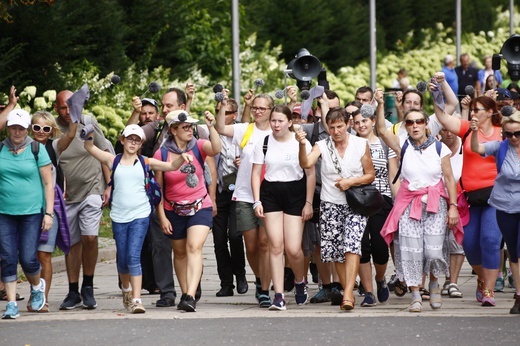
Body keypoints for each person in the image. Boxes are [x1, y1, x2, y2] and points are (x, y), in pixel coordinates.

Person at [84, 124, 191, 313]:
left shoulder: (145, 161)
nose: (133, 142)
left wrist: (182, 158)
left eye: (137, 140)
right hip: (118, 216)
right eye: (130, 138)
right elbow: (89, 148)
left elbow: (170, 166)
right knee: (123, 259)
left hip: (140, 215)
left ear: (141, 143)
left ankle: (136, 299)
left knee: (134, 256)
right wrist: (89, 133)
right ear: (122, 139)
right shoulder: (113, 160)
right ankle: (126, 289)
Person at [379, 106, 461, 313]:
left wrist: (453, 207)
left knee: (434, 250)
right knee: (411, 250)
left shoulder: (440, 148)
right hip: (409, 204)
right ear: (405, 126)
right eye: (410, 122)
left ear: (426, 124)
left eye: (419, 121)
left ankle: (434, 283)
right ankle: (415, 294)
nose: (415, 126)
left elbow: (449, 179)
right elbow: (381, 129)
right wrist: (380, 104)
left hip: (436, 204)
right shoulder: (403, 146)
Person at [298, 106, 375, 311]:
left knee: (352, 245)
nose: (336, 131)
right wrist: (300, 145)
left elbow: (370, 175)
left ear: (348, 124)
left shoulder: (360, 144)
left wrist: (351, 182)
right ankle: (347, 289)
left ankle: (348, 293)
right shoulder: (322, 145)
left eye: (340, 126)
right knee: (337, 252)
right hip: (330, 202)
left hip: (355, 203)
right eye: (332, 127)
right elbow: (306, 162)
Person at [435, 95, 503, 307]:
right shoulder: (466, 129)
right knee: (470, 244)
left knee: (490, 240)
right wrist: (438, 94)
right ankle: (482, 278)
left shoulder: (504, 132)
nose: (473, 113)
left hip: (495, 196)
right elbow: (442, 118)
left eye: (478, 109)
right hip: (471, 197)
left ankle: (489, 290)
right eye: (472, 109)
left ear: (491, 111)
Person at [155, 110, 221, 312]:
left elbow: (216, 148)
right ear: (173, 129)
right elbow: (158, 189)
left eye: (191, 126)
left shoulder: (199, 146)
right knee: (180, 253)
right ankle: (185, 294)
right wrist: (163, 217)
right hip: (173, 209)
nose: (190, 130)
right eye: (185, 127)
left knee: (194, 247)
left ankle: (190, 294)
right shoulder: (162, 153)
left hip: (200, 205)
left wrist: (211, 126)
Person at [251, 105, 315, 310]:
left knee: (294, 249)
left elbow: (310, 174)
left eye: (280, 121)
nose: (276, 124)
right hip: (270, 192)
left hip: (295, 192)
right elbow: (255, 173)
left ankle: (299, 281)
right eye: (273, 120)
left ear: (290, 122)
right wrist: (257, 200)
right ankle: (278, 295)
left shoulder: (300, 141)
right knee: (275, 245)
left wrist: (308, 203)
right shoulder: (265, 141)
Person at [215, 94, 273, 307]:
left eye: (262, 108)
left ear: (270, 110)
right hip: (244, 194)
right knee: (251, 247)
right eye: (255, 108)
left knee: (265, 244)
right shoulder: (245, 129)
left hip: (269, 197)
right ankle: (259, 279)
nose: (258, 111)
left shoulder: (276, 130)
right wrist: (222, 106)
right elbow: (221, 128)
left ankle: (265, 287)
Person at [55, 90, 112, 310]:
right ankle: (72, 291)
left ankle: (87, 286)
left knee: (89, 238)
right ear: (56, 108)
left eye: (71, 106)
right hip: (66, 196)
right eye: (63, 107)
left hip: (92, 189)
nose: (68, 111)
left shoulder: (88, 121)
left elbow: (105, 152)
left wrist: (109, 185)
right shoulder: (50, 129)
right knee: (72, 244)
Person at [0, 109, 54, 319]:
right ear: (8, 128)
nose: (17, 132)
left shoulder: (36, 149)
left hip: (31, 212)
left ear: (27, 129)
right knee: (7, 256)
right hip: (4, 211)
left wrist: (48, 213)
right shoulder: (1, 149)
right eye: (13, 127)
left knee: (29, 257)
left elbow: (48, 183)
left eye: (21, 128)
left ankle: (36, 285)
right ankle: (12, 304)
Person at [469, 110, 520, 314]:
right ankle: (519, 295)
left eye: (518, 133)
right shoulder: (501, 148)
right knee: (514, 254)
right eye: (509, 134)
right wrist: (474, 132)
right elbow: (476, 148)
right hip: (504, 205)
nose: (513, 138)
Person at [353, 91, 399, 307]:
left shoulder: (383, 144)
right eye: (357, 122)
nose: (361, 125)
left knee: (380, 248)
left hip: (381, 200)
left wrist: (397, 203)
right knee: (362, 248)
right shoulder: (350, 145)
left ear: (373, 122)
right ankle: (369, 291)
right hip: (356, 201)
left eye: (364, 121)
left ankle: (380, 279)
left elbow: (392, 176)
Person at [29, 111, 76, 312]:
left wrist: (75, 111)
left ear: (51, 131)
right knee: (27, 256)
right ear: (30, 128)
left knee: (44, 254)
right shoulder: (22, 146)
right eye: (37, 127)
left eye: (46, 128)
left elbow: (71, 135)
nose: (41, 132)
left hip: (50, 208)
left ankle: (43, 299)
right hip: (26, 207)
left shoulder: (54, 147)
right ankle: (33, 293)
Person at [212, 98, 248, 297]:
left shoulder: (242, 131)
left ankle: (240, 276)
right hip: (218, 191)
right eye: (219, 111)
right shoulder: (211, 133)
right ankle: (226, 283)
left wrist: (242, 161)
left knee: (235, 235)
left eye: (226, 112)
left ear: (234, 115)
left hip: (238, 191)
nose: (221, 115)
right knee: (218, 240)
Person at [437, 127, 465, 299]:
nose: (448, 133)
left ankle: (453, 281)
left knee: (456, 241)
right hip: (437, 199)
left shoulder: (464, 147)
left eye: (451, 130)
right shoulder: (434, 147)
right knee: (439, 243)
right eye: (444, 130)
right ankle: (444, 278)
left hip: (460, 199)